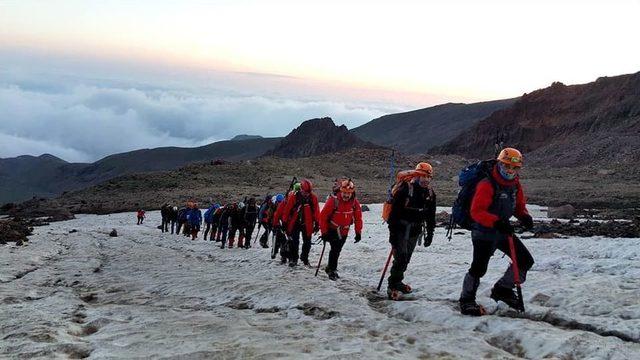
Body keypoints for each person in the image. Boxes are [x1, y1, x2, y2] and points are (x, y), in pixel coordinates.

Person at [459, 148, 534, 315]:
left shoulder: (515, 184)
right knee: (479, 268)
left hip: (502, 230)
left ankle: (503, 289)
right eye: (507, 166)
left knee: (525, 260)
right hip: (483, 232)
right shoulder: (487, 183)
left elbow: (518, 206)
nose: (510, 171)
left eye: (515, 168)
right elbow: (477, 211)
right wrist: (496, 222)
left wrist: (524, 217)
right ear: (500, 163)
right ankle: (466, 300)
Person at [386, 162, 437, 300]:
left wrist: (430, 235)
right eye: (423, 176)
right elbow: (394, 214)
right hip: (400, 229)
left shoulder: (430, 194)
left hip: (415, 230)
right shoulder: (405, 189)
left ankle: (398, 280)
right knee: (401, 257)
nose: (426, 180)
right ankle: (392, 285)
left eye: (428, 177)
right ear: (417, 175)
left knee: (406, 258)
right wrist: (393, 234)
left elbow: (430, 216)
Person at [319, 179, 363, 280]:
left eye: (348, 193)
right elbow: (323, 216)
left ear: (352, 193)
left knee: (337, 250)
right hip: (333, 230)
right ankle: (332, 270)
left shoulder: (354, 203)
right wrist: (324, 232)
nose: (346, 195)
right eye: (344, 193)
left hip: (344, 231)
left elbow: (358, 218)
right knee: (335, 250)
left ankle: (330, 267)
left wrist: (358, 232)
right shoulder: (333, 200)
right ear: (340, 191)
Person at [282, 179, 320, 267]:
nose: (307, 194)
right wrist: (284, 222)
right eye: (305, 192)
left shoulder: (313, 197)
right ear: (301, 189)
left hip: (307, 224)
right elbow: (287, 210)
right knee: (294, 242)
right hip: (294, 223)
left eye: (308, 192)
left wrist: (317, 223)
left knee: (307, 242)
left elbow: (316, 211)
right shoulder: (294, 197)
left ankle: (304, 258)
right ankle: (293, 259)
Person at [271, 193, 290, 263]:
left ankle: (276, 253)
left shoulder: (276, 206)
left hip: (279, 225)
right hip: (282, 226)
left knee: (278, 241)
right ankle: (283, 256)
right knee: (283, 241)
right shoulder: (283, 205)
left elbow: (275, 216)